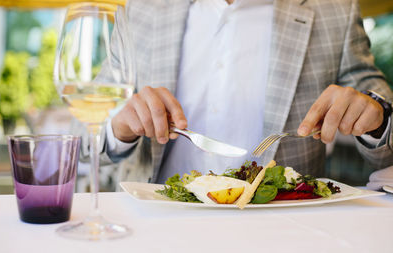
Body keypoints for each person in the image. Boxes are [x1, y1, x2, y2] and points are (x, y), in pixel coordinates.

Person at [78, 0, 393, 185]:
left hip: (286, 232)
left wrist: (374, 117)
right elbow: (80, 135)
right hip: (158, 227)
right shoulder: (141, 10)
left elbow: (376, 103)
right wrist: (118, 125)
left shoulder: (333, 9)